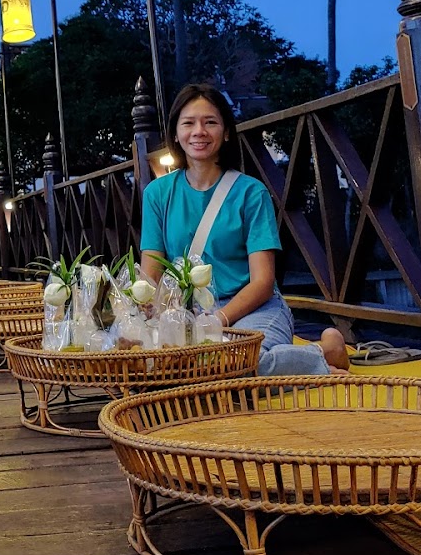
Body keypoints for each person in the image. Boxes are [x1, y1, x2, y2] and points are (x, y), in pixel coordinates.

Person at [140, 83, 349, 376]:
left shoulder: (251, 192)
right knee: (170, 368)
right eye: (188, 123)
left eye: (210, 122)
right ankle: (320, 356)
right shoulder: (157, 194)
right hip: (190, 316)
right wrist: (141, 311)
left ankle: (318, 355)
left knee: (234, 365)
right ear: (176, 133)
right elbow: (151, 274)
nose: (199, 131)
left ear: (226, 132)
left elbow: (263, 281)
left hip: (255, 310)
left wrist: (220, 319)